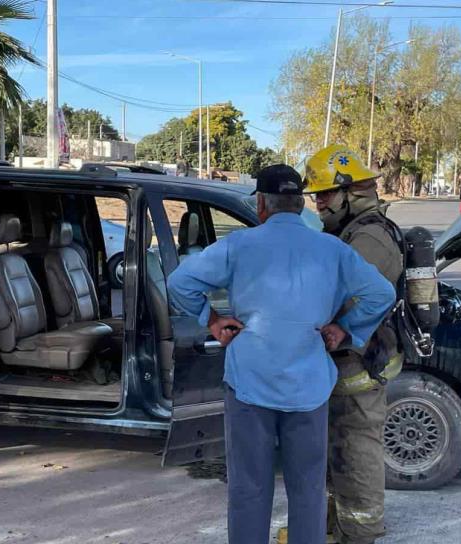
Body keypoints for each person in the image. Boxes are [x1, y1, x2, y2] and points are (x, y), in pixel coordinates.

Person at [166, 164, 395, 544]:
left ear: (261, 204)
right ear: (298, 204)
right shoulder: (332, 248)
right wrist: (346, 329)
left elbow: (180, 283)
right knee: (307, 490)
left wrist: (212, 319)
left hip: (250, 383)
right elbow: (381, 294)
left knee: (249, 488)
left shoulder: (239, 246)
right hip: (309, 387)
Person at [304, 145, 403, 544]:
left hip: (359, 364)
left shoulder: (371, 237)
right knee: (338, 451)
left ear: (351, 191)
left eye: (325, 194)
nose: (319, 203)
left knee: (356, 450)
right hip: (347, 361)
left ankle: (360, 534)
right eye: (316, 196)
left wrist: (338, 325)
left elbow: (354, 296)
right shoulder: (349, 232)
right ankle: (335, 528)